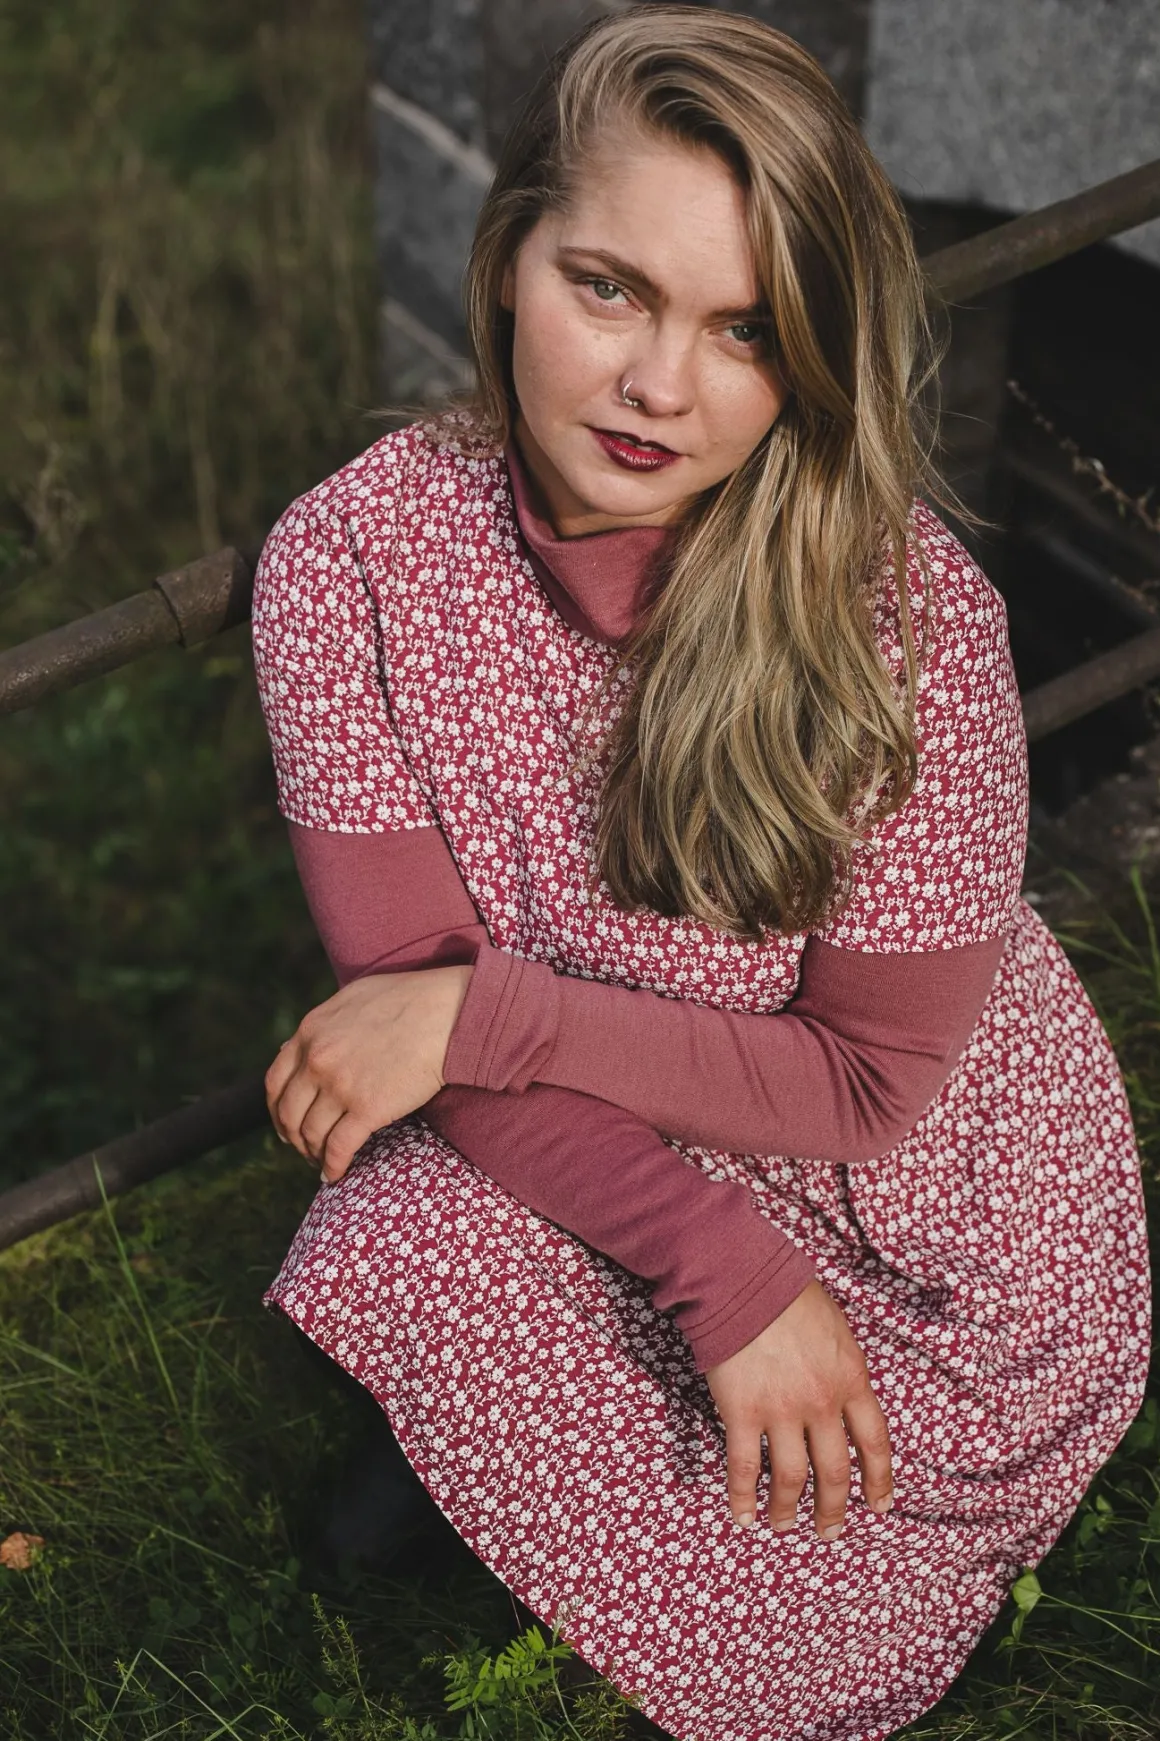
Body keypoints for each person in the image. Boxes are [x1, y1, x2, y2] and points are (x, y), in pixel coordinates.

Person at [251, 8, 1151, 1738]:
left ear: (807, 357)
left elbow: (870, 1079)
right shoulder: (350, 565)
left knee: (837, 1565)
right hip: (598, 1118)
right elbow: (407, 1017)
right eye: (610, 289)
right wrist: (723, 1273)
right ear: (508, 256)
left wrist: (482, 1020)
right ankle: (572, 1477)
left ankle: (692, 1532)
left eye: (745, 330)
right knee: (401, 1220)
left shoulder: (903, 621)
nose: (662, 387)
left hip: (916, 1198)